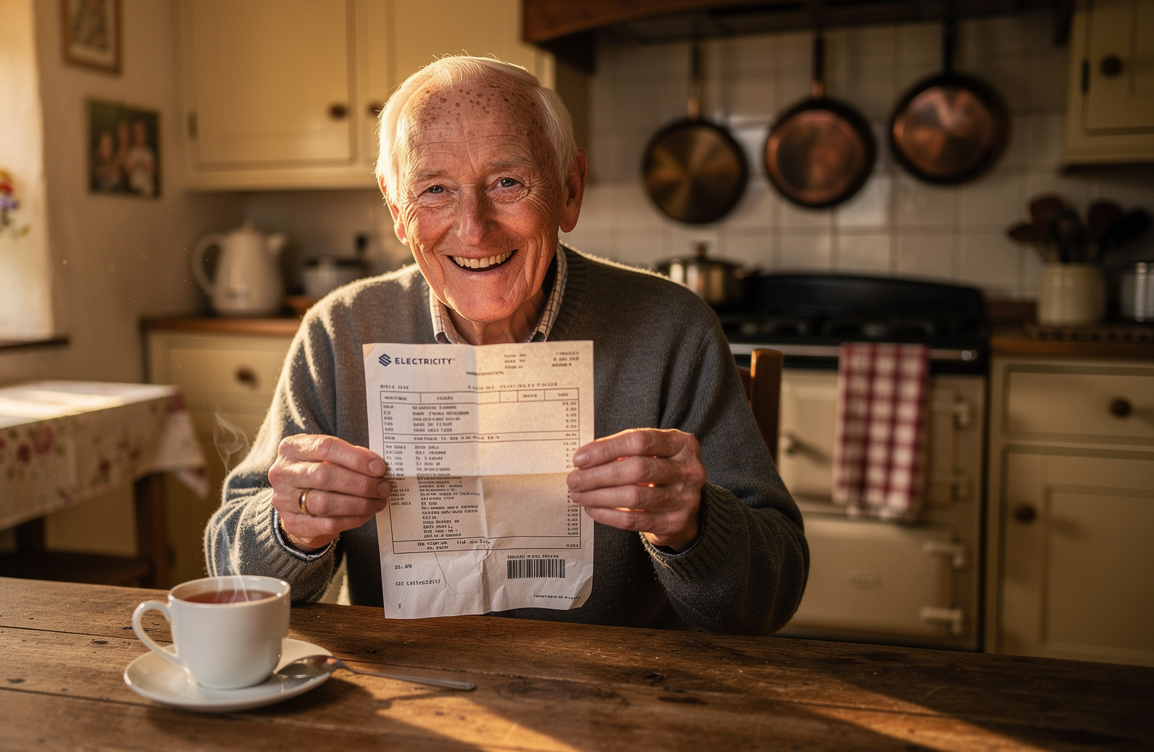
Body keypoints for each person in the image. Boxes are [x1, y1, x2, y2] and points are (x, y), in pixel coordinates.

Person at [206, 56, 808, 634]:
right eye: (435, 190)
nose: (474, 228)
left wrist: (694, 526)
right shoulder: (340, 332)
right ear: (397, 210)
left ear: (570, 190)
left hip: (621, 699)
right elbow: (231, 576)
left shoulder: (673, 328)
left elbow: (767, 602)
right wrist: (289, 528)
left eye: (508, 181)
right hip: (408, 690)